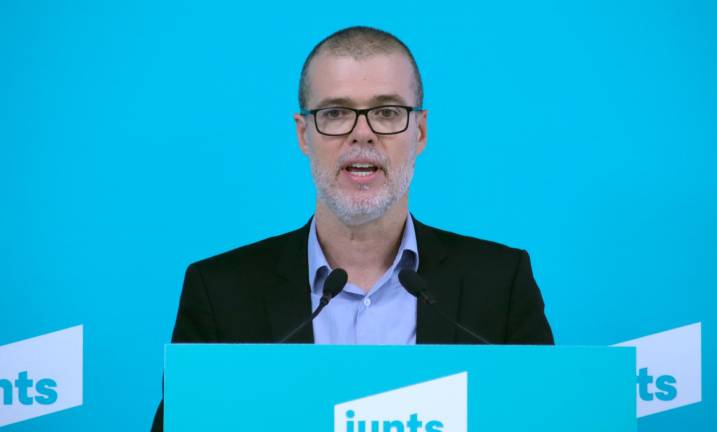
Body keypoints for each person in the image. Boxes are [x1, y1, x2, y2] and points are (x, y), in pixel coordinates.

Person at [150, 25, 553, 431]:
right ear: (304, 134)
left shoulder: (500, 284)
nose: (362, 133)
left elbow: (545, 419)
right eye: (336, 113)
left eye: (387, 112)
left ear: (421, 131)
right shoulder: (219, 292)